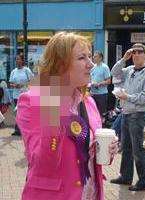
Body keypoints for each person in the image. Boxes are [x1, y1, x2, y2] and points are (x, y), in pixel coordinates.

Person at [16, 32, 118, 200]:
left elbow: (89, 153)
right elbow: (44, 161)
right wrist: (55, 97)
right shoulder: (34, 99)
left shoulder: (88, 102)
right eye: (82, 58)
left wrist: (108, 149)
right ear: (60, 64)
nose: (91, 64)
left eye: (90, 57)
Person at [110, 43, 145, 191]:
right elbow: (114, 72)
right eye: (134, 52)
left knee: (138, 149)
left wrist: (127, 96)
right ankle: (125, 176)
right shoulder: (130, 69)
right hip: (126, 113)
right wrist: (124, 59)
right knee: (127, 147)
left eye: (139, 52)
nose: (136, 54)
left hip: (138, 115)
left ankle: (144, 181)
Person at [9, 54, 34, 136]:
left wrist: (23, 85)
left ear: (22, 61)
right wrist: (15, 85)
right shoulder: (13, 71)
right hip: (16, 96)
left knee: (25, 112)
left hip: (25, 95)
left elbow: (32, 81)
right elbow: (10, 83)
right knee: (17, 112)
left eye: (19, 59)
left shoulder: (26, 70)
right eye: (16, 59)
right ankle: (17, 130)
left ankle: (26, 129)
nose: (17, 61)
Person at [90, 51, 111, 118]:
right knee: (93, 113)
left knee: (101, 113)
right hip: (92, 93)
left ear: (100, 58)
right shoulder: (93, 67)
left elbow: (109, 81)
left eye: (95, 56)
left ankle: (101, 126)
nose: (93, 57)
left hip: (101, 94)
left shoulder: (105, 67)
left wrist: (99, 84)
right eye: (93, 56)